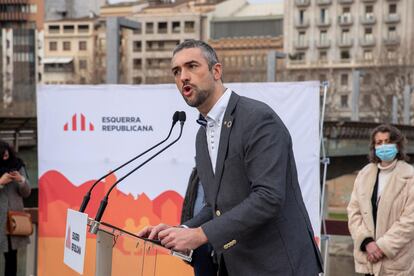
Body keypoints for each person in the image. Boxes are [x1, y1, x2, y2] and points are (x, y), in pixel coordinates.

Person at [138, 39, 323, 275]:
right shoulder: (201, 135)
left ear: (217, 71)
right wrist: (180, 230)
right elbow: (216, 206)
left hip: (280, 266)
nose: (183, 76)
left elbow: (268, 197)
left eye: (192, 66)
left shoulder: (258, 119)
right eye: (176, 71)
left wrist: (200, 235)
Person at [347, 124, 414, 276]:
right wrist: (367, 242)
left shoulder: (410, 176)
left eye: (388, 141)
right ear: (374, 146)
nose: (383, 146)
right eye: (379, 142)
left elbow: (410, 221)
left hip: (396, 263)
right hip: (369, 261)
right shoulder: (364, 175)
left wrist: (382, 247)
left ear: (398, 145)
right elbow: (354, 212)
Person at [0, 140, 31, 276]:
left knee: (12, 259)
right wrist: (0, 182)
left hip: (13, 220)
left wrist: (21, 180)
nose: (5, 153)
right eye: (2, 150)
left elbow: (27, 193)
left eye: (6, 149)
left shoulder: (18, 165)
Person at [181, 167, 217, 276]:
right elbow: (188, 204)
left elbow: (215, 206)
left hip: (221, 243)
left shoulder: (226, 167)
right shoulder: (198, 169)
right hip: (198, 245)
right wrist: (183, 230)